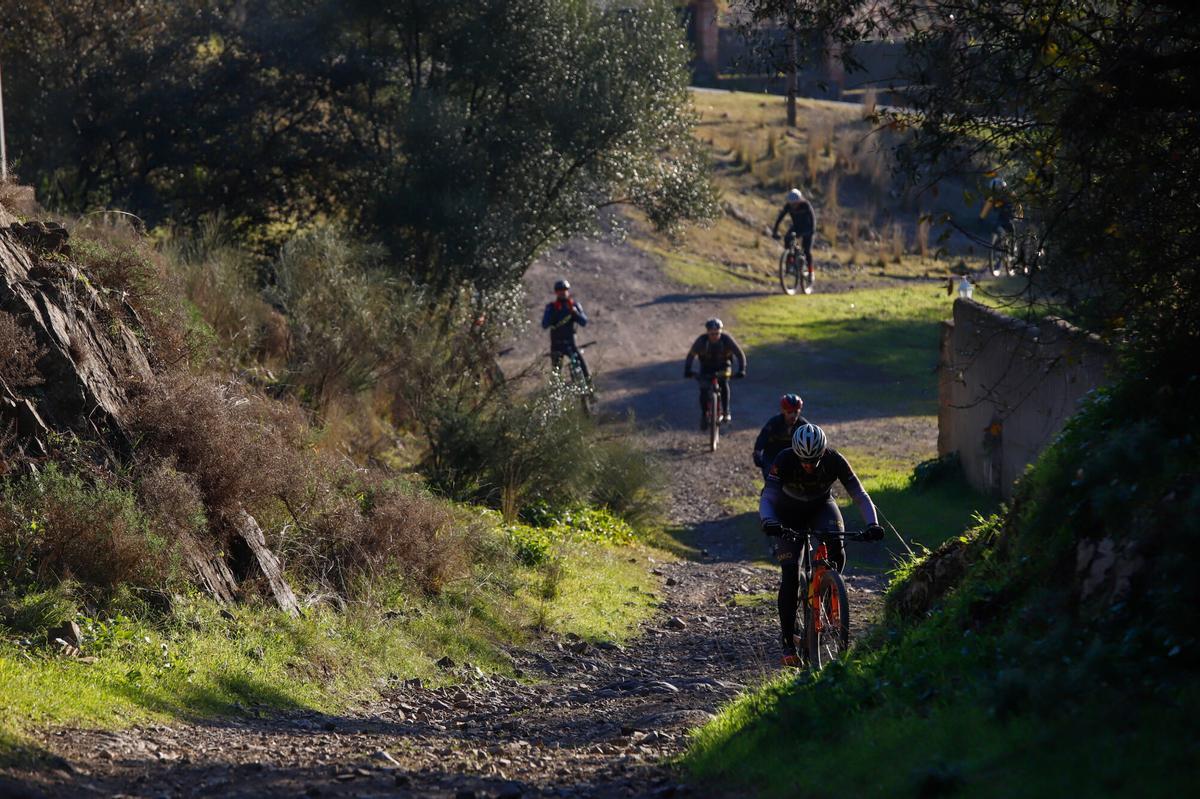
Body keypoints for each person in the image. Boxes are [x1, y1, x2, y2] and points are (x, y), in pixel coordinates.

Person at [759, 424, 885, 667]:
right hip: (787, 513)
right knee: (790, 572)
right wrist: (769, 521)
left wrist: (873, 524)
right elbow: (768, 496)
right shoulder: (784, 459)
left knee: (836, 547)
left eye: (814, 459)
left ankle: (828, 591)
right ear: (796, 453)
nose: (809, 465)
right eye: (804, 460)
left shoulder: (835, 460)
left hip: (821, 507)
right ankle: (787, 641)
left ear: (823, 452)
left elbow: (859, 493)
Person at [684, 318, 746, 430]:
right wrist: (687, 370)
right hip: (706, 367)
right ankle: (704, 415)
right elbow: (691, 356)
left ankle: (726, 411)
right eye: (711, 333)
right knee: (703, 390)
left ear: (721, 331)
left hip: (723, 366)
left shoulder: (726, 340)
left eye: (717, 333)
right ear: (707, 332)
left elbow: (739, 354)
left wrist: (742, 369)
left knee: (724, 383)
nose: (714, 336)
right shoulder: (701, 341)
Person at [753, 394, 809, 481]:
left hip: (792, 455)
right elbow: (762, 438)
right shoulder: (774, 423)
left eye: (796, 412)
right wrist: (757, 452)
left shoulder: (803, 425)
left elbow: (813, 440)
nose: (793, 415)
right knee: (772, 480)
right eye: (789, 412)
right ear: (783, 411)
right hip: (772, 456)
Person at [541, 279, 590, 380]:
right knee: (556, 374)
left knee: (583, 369)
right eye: (560, 290)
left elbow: (584, 322)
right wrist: (553, 315)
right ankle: (556, 393)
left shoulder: (574, 306)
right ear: (556, 292)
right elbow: (544, 325)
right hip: (556, 344)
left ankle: (589, 392)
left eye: (564, 289)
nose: (562, 292)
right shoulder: (551, 307)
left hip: (570, 343)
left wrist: (575, 313)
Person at [771, 188, 817, 272]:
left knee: (807, 251)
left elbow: (813, 219)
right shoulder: (788, 206)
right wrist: (775, 230)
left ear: (800, 201)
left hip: (808, 228)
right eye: (792, 204)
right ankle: (790, 262)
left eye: (795, 204)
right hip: (797, 226)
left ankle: (810, 271)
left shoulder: (806, 205)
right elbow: (780, 218)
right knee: (787, 239)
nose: (793, 206)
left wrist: (812, 230)